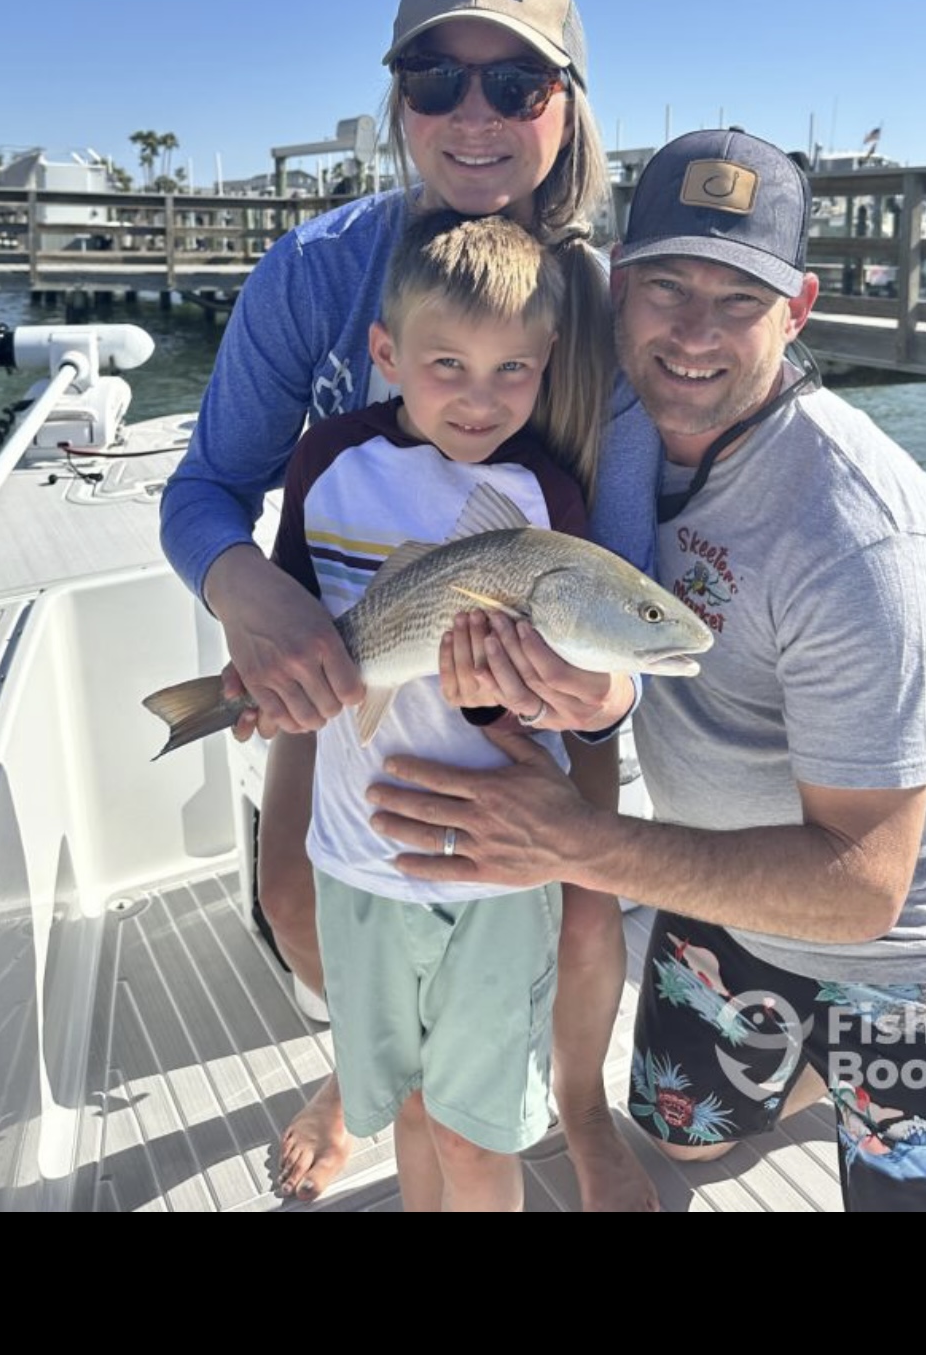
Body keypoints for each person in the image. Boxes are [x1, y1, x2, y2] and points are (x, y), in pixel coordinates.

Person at [366, 127, 926, 1211]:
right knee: (688, 1145)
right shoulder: (625, 429)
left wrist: (576, 839)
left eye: (738, 300)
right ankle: (826, 1063)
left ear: (796, 312)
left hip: (903, 933)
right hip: (726, 887)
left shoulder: (863, 535)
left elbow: (863, 887)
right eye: (664, 287)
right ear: (616, 291)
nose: (694, 332)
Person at [159, 0, 660, 1210]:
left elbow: (629, 576)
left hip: (539, 657)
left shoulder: (601, 309)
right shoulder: (318, 271)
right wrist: (252, 597)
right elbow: (203, 489)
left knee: (587, 907)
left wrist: (579, 696)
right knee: (295, 893)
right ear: (399, 103)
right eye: (435, 81)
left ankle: (582, 1104)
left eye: (516, 85)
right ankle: (371, 1074)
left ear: (569, 106)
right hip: (355, 642)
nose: (473, 114)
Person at [276, 207, 635, 1210]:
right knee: (412, 1115)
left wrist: (495, 706)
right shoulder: (326, 463)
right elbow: (293, 618)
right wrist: (270, 680)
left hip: (493, 877)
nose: (481, 401)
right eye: (447, 366)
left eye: (512, 371)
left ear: (549, 360)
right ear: (385, 352)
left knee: (477, 1136)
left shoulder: (542, 496)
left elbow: (555, 710)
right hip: (358, 858)